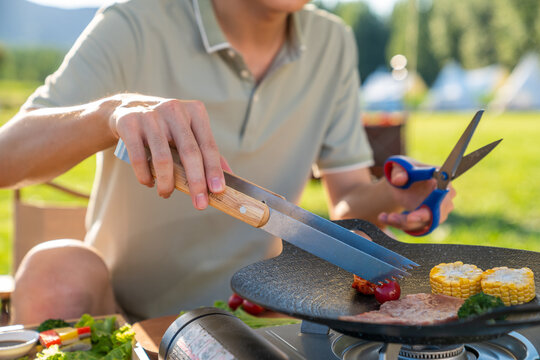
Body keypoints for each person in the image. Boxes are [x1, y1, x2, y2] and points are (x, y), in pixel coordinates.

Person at [0, 0, 454, 324]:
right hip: (123, 314)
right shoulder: (135, 20)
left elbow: (347, 206)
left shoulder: (332, 41)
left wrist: (391, 193)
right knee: (54, 268)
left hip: (261, 315)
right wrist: (108, 114)